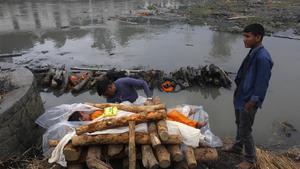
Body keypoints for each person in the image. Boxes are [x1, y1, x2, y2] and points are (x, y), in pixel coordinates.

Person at [224, 23, 273, 169]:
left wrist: (253, 101)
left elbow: (262, 83)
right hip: (241, 96)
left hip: (249, 100)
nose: (244, 39)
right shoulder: (253, 52)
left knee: (246, 129)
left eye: (247, 36)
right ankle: (238, 146)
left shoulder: (263, 58)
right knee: (239, 124)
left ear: (258, 37)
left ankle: (250, 160)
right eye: (244, 36)